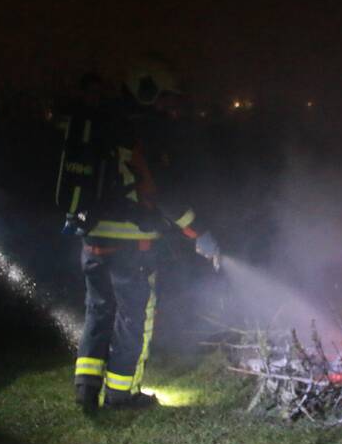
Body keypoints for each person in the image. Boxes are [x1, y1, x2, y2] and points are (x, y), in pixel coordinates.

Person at [58, 56, 220, 411]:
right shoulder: (145, 131)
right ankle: (121, 394)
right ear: (146, 94)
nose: (169, 106)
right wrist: (198, 232)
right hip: (134, 245)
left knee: (98, 312)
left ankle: (86, 389)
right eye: (164, 98)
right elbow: (160, 193)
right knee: (135, 318)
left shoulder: (102, 122)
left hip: (93, 241)